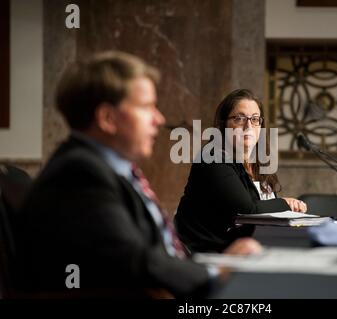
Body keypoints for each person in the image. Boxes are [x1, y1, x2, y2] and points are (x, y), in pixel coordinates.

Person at [15, 52, 261, 298]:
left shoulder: (107, 168)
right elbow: (137, 262)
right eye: (146, 107)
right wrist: (216, 271)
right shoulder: (80, 174)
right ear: (108, 118)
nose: (159, 119)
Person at [175, 89, 307, 253]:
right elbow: (247, 211)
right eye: (239, 118)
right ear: (224, 125)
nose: (248, 126)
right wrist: (286, 203)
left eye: (255, 119)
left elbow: (263, 211)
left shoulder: (258, 163)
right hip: (204, 254)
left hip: (243, 249)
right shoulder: (213, 158)